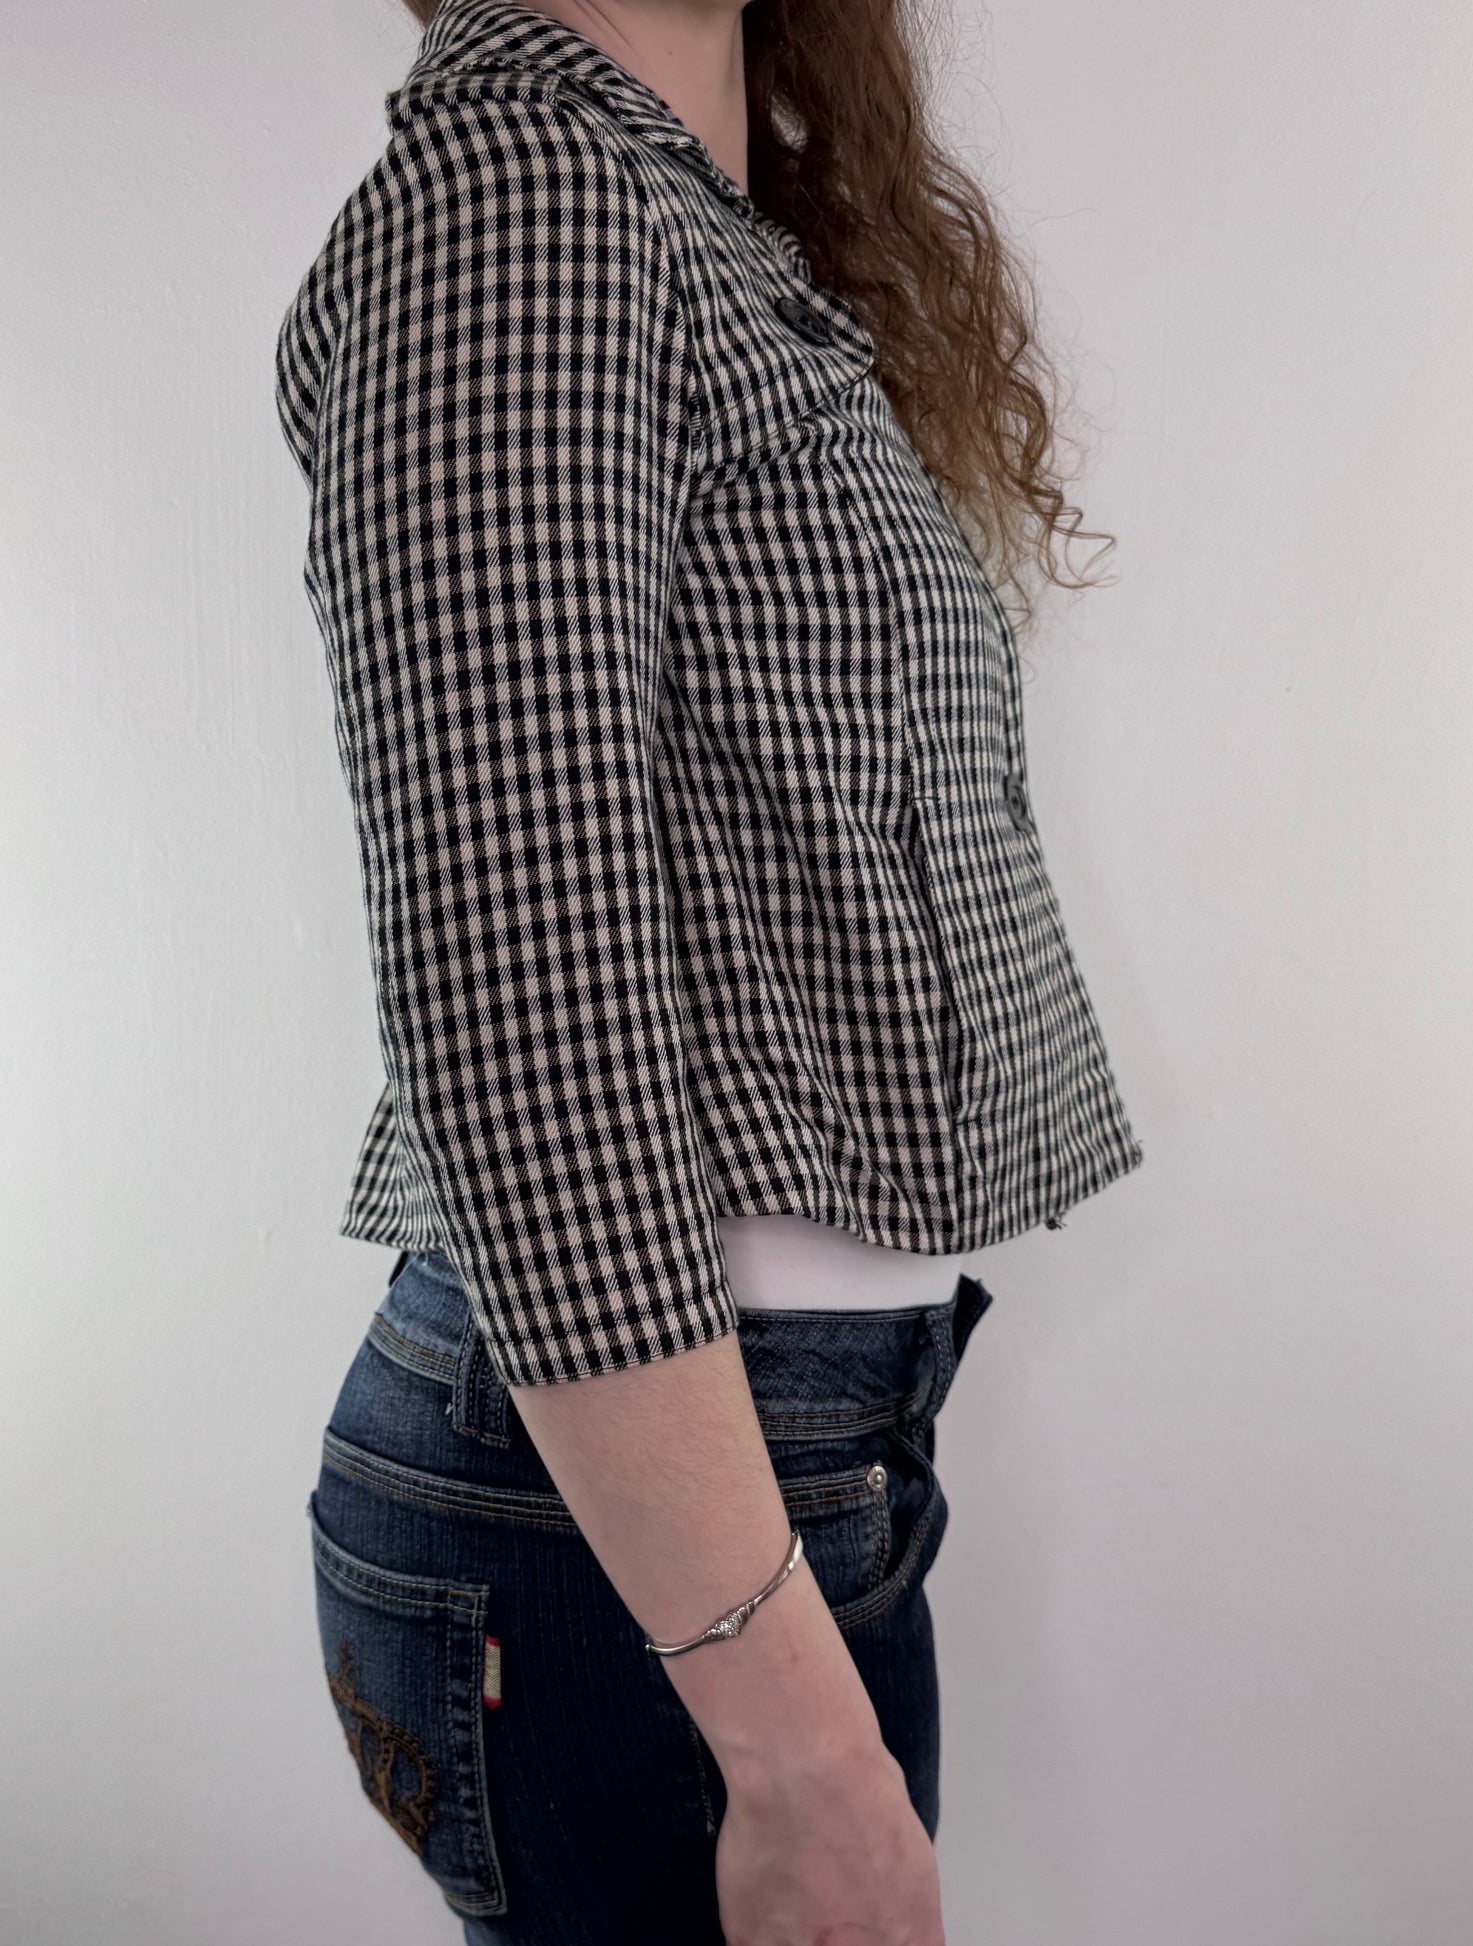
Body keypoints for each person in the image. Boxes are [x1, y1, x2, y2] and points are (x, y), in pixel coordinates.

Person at [272, 1, 1145, 1939]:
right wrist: (794, 1742)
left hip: (747, 1477)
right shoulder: (515, 204)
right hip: (649, 1525)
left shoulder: (687, 232)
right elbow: (517, 1003)